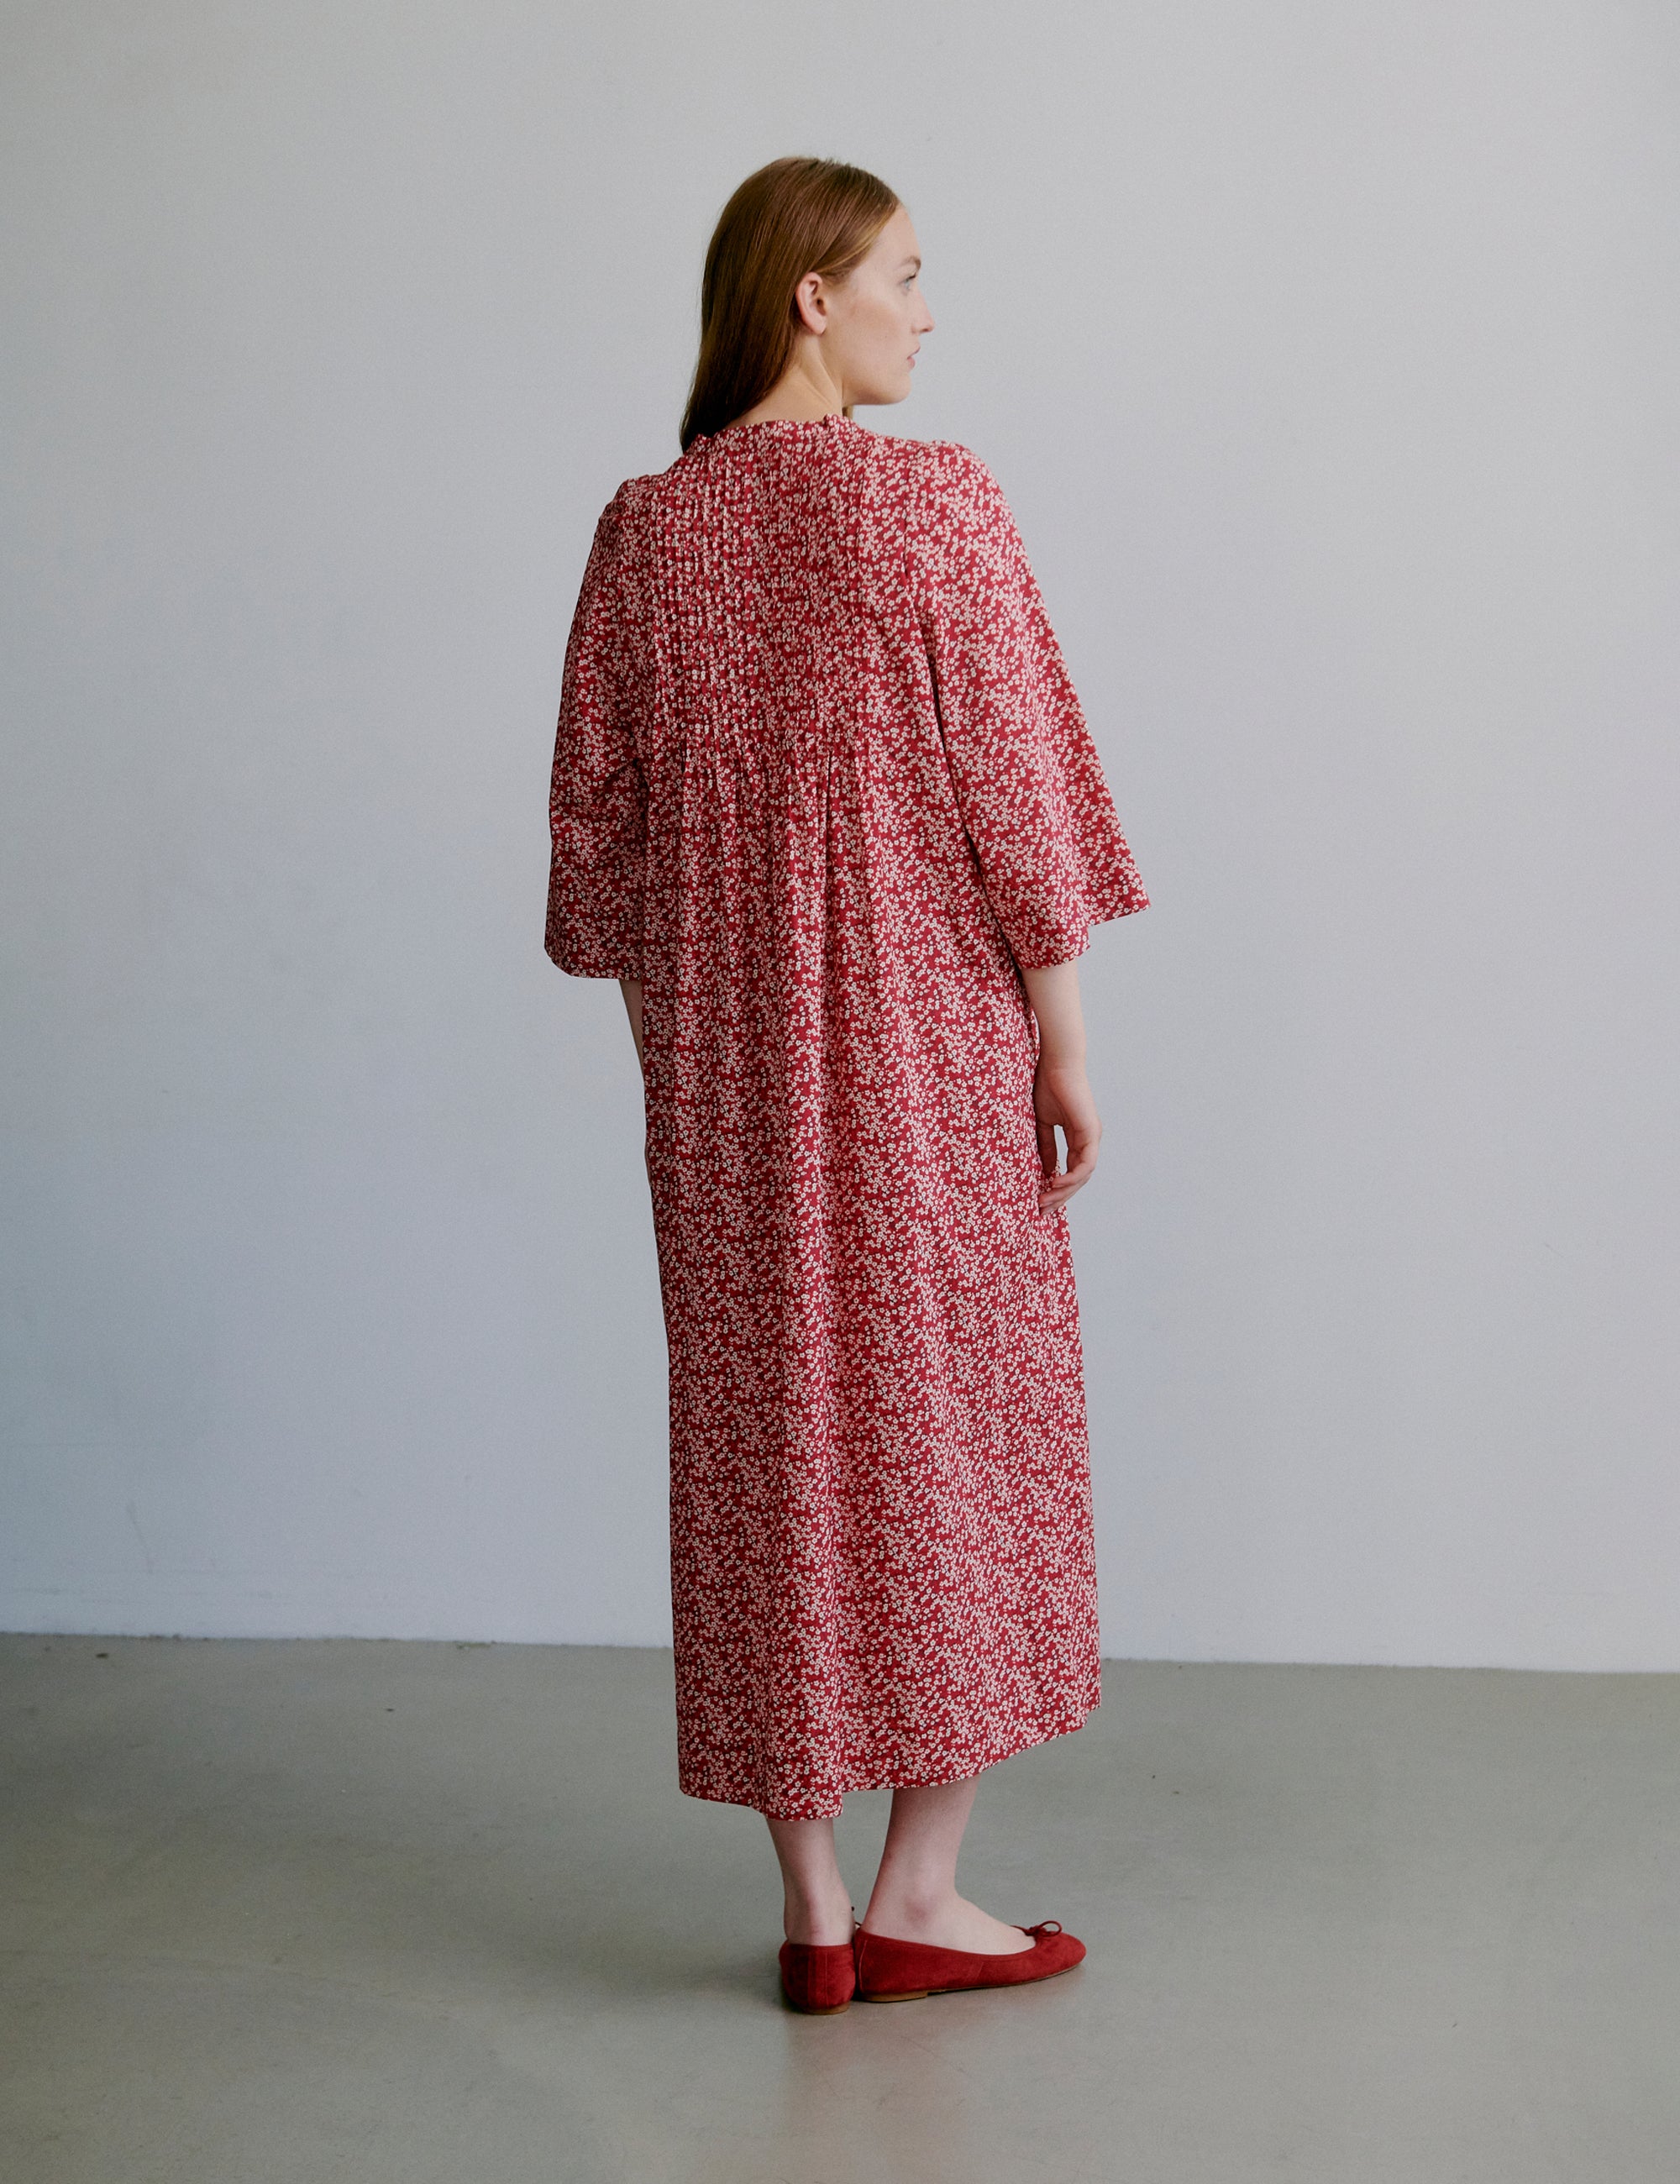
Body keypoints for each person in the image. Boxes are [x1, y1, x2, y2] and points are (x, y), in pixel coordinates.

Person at [544, 156, 1148, 2012]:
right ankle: (921, 1889)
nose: (926, 305)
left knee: (766, 1457)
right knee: (955, 1438)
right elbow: (1022, 799)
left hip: (717, 1076)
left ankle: (812, 1911)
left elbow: (602, 859)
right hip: (926, 1058)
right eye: (904, 269)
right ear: (811, 293)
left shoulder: (644, 533)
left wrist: (681, 1060)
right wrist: (1057, 1027)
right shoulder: (934, 507)